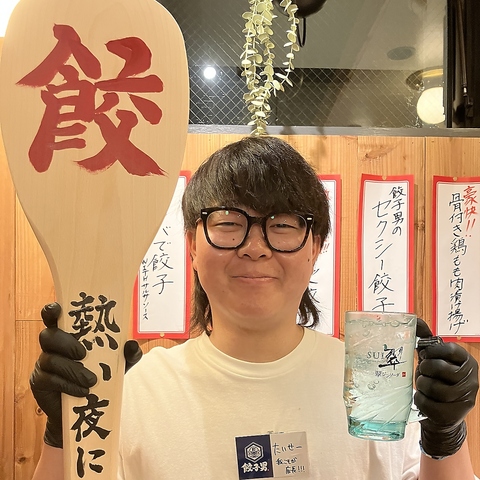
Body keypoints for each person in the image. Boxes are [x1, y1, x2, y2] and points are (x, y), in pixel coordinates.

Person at [31, 136, 478, 479]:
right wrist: (62, 431)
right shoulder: (139, 390)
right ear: (191, 245)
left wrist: (445, 435)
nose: (255, 247)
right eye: (229, 223)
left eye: (282, 226)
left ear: (316, 247)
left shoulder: (373, 390)